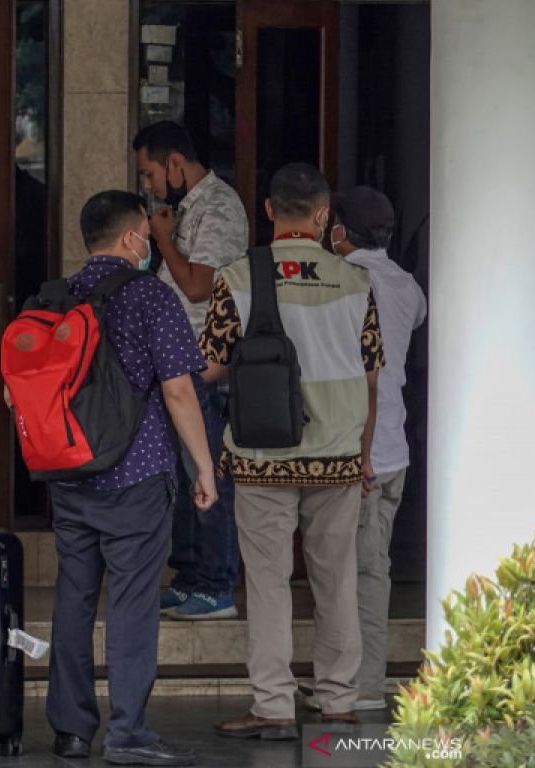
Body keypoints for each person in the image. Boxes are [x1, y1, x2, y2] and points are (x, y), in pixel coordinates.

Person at [203, 163, 384, 740]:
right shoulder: (356, 282)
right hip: (337, 455)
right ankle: (337, 701)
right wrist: (364, 453)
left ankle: (275, 706)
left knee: (268, 582)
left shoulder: (239, 276)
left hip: (262, 457)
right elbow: (371, 377)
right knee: (337, 582)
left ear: (268, 211)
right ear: (324, 215)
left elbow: (210, 364)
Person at [41, 190, 215, 767]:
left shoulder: (57, 296)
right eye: (147, 232)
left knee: (74, 598)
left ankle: (69, 730)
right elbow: (179, 389)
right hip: (136, 475)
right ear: (130, 238)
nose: (149, 241)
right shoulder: (150, 296)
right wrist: (204, 466)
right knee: (133, 604)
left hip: (70, 475)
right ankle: (128, 732)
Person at [133, 121, 247, 620]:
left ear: (176, 163)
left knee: (209, 473)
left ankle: (217, 582)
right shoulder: (185, 210)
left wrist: (163, 240)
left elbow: (200, 287)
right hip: (178, 364)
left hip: (206, 365)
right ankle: (190, 574)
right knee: (183, 478)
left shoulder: (218, 207)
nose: (150, 185)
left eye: (152, 173)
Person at [328, 186, 427, 711]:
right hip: (394, 447)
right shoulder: (408, 286)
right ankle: (347, 679)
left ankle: (362, 686)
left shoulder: (347, 282)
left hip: (359, 451)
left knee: (358, 574)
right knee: (368, 568)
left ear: (340, 230)